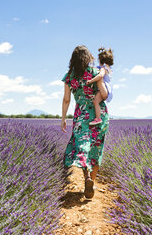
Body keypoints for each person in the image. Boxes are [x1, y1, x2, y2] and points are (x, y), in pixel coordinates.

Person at [61, 45, 109, 199]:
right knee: (96, 147)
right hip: (98, 114)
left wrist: (63, 119)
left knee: (83, 146)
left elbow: (66, 99)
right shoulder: (95, 73)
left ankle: (86, 177)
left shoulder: (69, 77)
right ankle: (92, 182)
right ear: (88, 58)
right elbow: (104, 94)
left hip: (81, 114)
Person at [86, 47, 113, 125]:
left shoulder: (103, 69)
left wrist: (91, 81)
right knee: (96, 102)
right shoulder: (108, 68)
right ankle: (98, 118)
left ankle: (98, 118)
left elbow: (100, 76)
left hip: (104, 90)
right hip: (106, 91)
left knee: (95, 101)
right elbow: (95, 68)